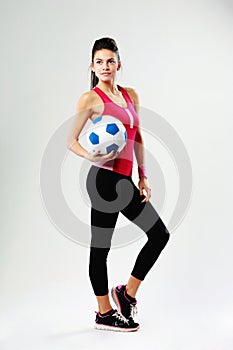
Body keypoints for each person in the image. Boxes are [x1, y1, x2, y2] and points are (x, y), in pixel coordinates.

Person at [67, 37, 170, 332]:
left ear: (118, 64)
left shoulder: (130, 95)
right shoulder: (90, 99)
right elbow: (70, 140)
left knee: (159, 235)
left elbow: (137, 137)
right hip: (102, 180)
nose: (105, 66)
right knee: (101, 249)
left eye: (110, 61)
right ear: (92, 66)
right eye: (99, 62)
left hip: (126, 180)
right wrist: (91, 154)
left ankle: (127, 294)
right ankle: (103, 312)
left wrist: (143, 176)